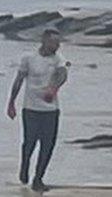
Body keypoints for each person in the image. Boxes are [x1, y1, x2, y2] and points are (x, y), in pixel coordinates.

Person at [6, 29, 69, 193]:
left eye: (58, 43)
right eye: (54, 42)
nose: (57, 46)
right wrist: (11, 103)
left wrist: (53, 88)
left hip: (51, 110)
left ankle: (38, 179)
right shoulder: (29, 58)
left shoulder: (58, 59)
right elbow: (19, 80)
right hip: (31, 109)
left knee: (48, 145)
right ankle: (25, 165)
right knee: (30, 143)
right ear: (44, 41)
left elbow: (62, 74)